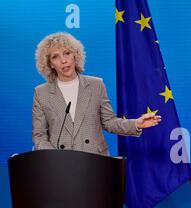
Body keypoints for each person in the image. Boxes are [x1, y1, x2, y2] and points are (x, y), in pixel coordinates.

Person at [32, 32, 161, 155]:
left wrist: (136, 124)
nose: (63, 60)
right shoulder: (41, 93)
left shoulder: (96, 85)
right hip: (60, 164)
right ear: (50, 64)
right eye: (55, 57)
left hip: (95, 161)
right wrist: (53, 157)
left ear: (75, 56)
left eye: (67, 53)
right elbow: (39, 136)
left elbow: (109, 122)